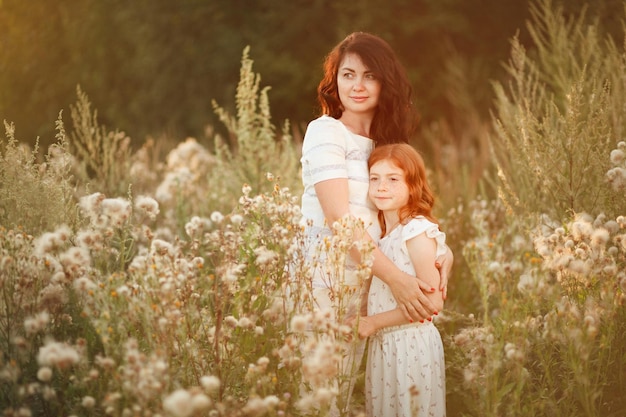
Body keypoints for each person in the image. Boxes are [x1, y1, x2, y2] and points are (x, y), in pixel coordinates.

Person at [298, 31, 452, 414]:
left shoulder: (387, 145)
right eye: (348, 74)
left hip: (367, 289)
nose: (357, 85)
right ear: (334, 81)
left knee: (346, 392)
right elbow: (338, 218)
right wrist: (398, 280)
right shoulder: (326, 131)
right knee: (319, 399)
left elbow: (407, 213)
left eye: (369, 75)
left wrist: (441, 250)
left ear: (386, 82)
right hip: (323, 281)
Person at [358, 143, 446, 417]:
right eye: (375, 179)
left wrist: (373, 322)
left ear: (413, 186)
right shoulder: (382, 236)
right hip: (386, 348)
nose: (381, 187)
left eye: (393, 179)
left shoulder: (416, 231)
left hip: (411, 347)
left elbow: (433, 303)